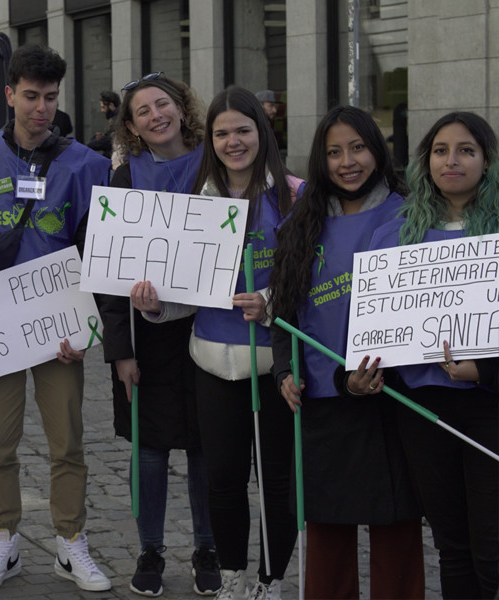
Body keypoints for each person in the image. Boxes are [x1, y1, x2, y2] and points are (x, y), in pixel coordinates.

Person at [130, 85, 301, 600]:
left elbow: (312, 282)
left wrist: (270, 301)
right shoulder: (195, 203)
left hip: (274, 365)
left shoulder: (294, 194)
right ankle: (231, 576)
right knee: (222, 480)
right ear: (212, 140)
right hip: (211, 361)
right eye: (223, 133)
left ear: (262, 132)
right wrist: (155, 306)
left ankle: (270, 581)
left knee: (276, 485)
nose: (233, 142)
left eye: (243, 131)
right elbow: (188, 294)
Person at [0, 43, 111, 592]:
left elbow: (98, 253)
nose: (41, 108)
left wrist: (87, 323)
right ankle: (5, 540)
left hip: (58, 324)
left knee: (67, 441)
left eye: (50, 97)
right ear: (9, 94)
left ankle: (70, 542)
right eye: (30, 96)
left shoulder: (86, 165)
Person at [267, 105, 425, 599]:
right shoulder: (301, 220)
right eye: (334, 152)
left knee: (396, 531)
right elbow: (284, 310)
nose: (347, 161)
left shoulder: (413, 214)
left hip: (391, 401)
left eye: (357, 147)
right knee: (328, 535)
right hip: (323, 403)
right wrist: (284, 369)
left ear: (376, 150)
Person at [364, 111, 499, 598]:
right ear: (426, 161)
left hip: (489, 406)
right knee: (452, 544)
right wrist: (362, 373)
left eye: (466, 150)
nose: (452, 161)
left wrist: (484, 370)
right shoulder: (395, 238)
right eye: (441, 150)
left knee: (492, 547)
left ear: (486, 160)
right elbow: (375, 335)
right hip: (422, 411)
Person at [97, 72, 219, 597]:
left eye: (162, 104)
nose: (155, 116)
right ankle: (150, 548)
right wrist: (119, 350)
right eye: (142, 111)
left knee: (204, 445)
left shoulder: (215, 165)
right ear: (131, 125)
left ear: (180, 106)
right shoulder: (123, 180)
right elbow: (107, 276)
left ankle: (208, 546)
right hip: (146, 338)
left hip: (209, 328)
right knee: (149, 449)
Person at [87, 90, 120, 159]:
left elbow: (108, 141)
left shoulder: (117, 120)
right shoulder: (117, 118)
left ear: (111, 105)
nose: (102, 110)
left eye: (103, 107)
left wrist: (93, 143)